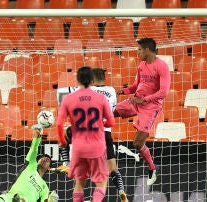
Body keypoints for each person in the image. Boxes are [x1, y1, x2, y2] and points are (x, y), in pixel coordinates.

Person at [53, 68, 129, 202]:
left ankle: (66, 163)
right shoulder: (110, 91)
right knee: (111, 169)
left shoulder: (82, 91)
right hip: (103, 135)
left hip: (82, 134)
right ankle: (121, 190)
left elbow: (60, 94)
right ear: (104, 80)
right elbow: (111, 120)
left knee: (80, 181)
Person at [114, 37, 171, 186]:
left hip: (150, 107)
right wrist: (121, 91)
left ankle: (152, 167)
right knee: (110, 111)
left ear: (147, 50)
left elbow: (164, 92)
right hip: (136, 101)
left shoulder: (162, 66)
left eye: (139, 49)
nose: (137, 52)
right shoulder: (141, 65)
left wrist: (144, 100)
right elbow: (134, 86)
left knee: (137, 143)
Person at [0, 124, 58, 202]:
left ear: (49, 168)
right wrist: (37, 136)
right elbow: (34, 149)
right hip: (10, 197)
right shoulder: (31, 165)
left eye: (47, 160)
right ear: (37, 162)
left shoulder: (45, 187)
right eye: (42, 158)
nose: (44, 159)